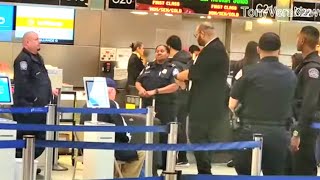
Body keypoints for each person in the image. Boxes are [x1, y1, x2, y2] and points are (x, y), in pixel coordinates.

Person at [229, 32, 297, 175]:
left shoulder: (247, 72)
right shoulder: (291, 74)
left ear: (258, 49)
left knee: (246, 175)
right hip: (279, 133)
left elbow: (231, 104)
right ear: (280, 50)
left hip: (249, 132)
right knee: (275, 175)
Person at [176, 22, 229, 174]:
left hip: (205, 106)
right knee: (201, 139)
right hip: (207, 105)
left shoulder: (213, 50)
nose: (196, 38)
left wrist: (178, 76)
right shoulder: (214, 49)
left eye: (196, 35)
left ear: (202, 33)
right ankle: (204, 171)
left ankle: (205, 173)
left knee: (199, 138)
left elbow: (194, 73)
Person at [80, 78, 145, 178]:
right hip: (107, 150)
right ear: (111, 91)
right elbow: (122, 131)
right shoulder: (112, 104)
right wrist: (127, 140)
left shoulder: (86, 105)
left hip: (86, 149)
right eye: (115, 93)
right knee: (140, 153)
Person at [13, 31, 58, 159]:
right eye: (36, 39)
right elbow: (23, 84)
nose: (40, 41)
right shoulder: (23, 60)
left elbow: (40, 80)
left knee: (40, 141)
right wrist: (35, 100)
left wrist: (50, 91)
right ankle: (21, 167)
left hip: (39, 109)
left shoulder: (38, 58)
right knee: (28, 141)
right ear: (27, 42)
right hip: (28, 110)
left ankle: (27, 166)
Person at [135, 45, 179, 169]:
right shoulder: (149, 66)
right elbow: (138, 81)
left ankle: (166, 166)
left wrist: (156, 91)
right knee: (146, 135)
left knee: (165, 136)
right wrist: (141, 90)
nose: (159, 53)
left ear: (167, 53)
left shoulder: (172, 68)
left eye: (162, 51)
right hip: (147, 106)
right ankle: (147, 164)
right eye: (157, 51)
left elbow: (175, 86)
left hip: (165, 107)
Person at [291, 26, 320, 176]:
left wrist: (297, 133)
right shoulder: (306, 65)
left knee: (303, 170)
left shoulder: (311, 68)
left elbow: (309, 102)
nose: (297, 40)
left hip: (307, 130)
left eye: (298, 37)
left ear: (303, 40)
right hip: (306, 127)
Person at [166, 35, 192, 166]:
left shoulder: (174, 63)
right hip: (187, 97)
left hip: (176, 97)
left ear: (169, 47)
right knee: (181, 124)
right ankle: (183, 156)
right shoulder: (188, 60)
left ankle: (178, 156)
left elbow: (177, 80)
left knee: (175, 125)